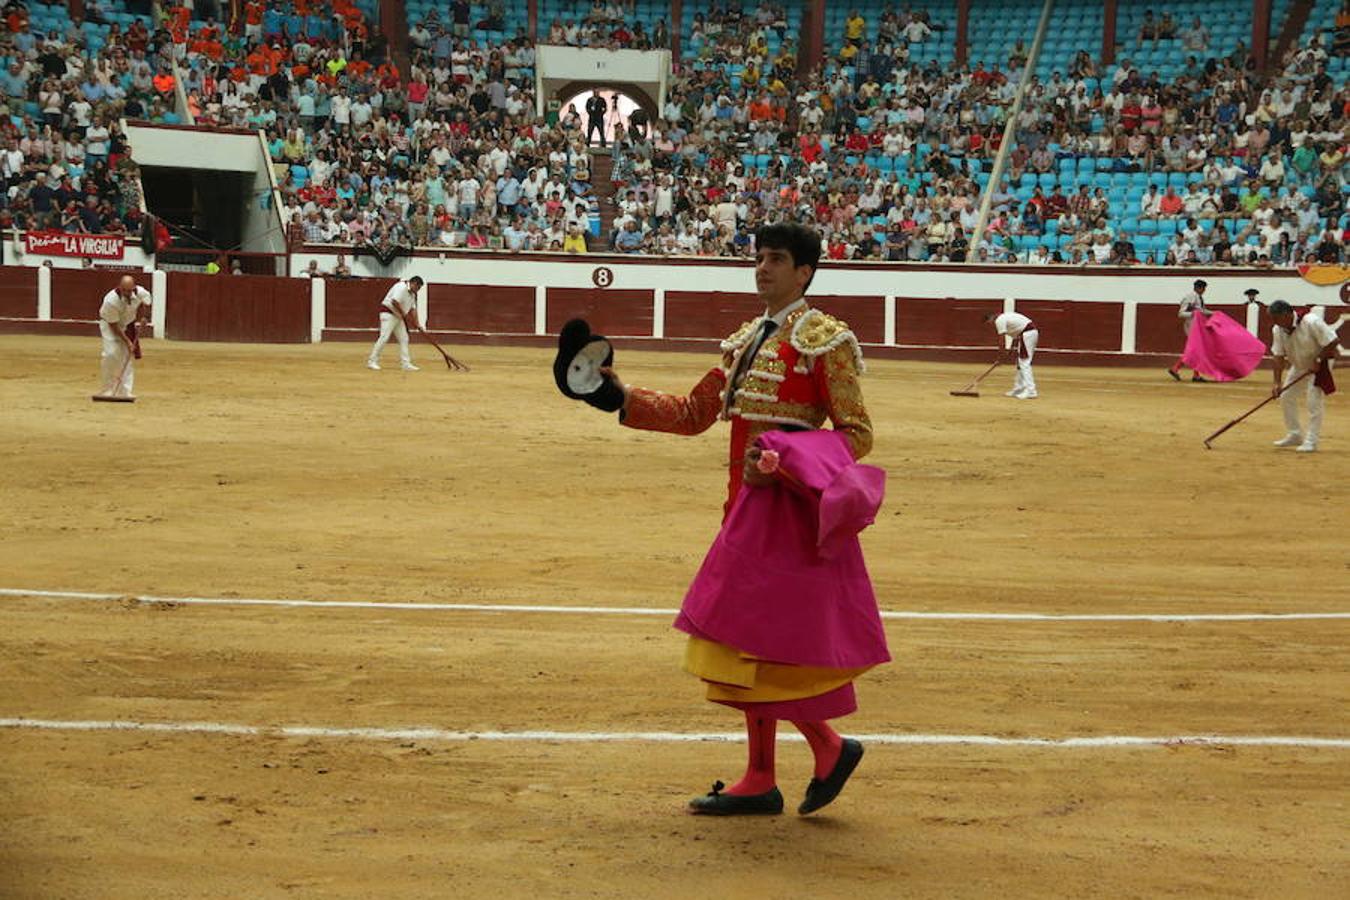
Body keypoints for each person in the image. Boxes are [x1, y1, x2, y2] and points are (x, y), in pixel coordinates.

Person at [596, 223, 887, 817]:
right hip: (743, 512)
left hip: (790, 515)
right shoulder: (744, 342)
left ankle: (804, 757)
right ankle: (783, 766)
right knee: (744, 642)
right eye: (758, 259)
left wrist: (784, 463)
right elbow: (694, 413)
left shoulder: (824, 343)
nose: (762, 269)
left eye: (776, 260)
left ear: (804, 271)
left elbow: (857, 434)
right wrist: (617, 395)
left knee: (768, 643)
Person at [1269, 300, 1339, 453]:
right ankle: (1295, 434)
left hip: (1321, 364)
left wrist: (1318, 359)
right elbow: (1278, 356)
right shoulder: (1278, 329)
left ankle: (1311, 441)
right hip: (1300, 364)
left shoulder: (1311, 322)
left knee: (1313, 400)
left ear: (1287, 315)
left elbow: (1333, 341)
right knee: (1286, 396)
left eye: (1277, 318)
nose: (1275, 323)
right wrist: (1276, 382)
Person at [96, 275, 151, 400]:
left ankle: (125, 391)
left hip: (128, 324)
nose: (127, 293)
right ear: (120, 287)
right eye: (125, 290)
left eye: (130, 290)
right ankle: (107, 389)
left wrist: (145, 317)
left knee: (126, 357)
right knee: (111, 354)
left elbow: (147, 302)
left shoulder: (140, 292)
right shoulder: (111, 301)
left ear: (134, 287)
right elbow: (114, 325)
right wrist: (127, 341)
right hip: (110, 326)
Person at [367, 276, 425, 371]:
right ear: (413, 283)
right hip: (388, 313)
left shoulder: (412, 294)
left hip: (398, 316)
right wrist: (403, 314)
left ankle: (405, 364)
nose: (418, 290)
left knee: (404, 339)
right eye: (418, 287)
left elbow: (413, 309)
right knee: (384, 337)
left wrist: (418, 324)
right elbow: (394, 301)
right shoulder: (401, 287)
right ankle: (372, 361)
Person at [984, 310, 1039, 399]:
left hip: (1027, 334)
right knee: (1020, 363)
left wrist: (1000, 356)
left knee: (1024, 363)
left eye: (989, 323)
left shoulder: (999, 320)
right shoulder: (1005, 317)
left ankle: (1031, 391)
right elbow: (1015, 336)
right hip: (1028, 334)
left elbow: (1001, 340)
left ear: (990, 319)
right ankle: (1019, 388)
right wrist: (1010, 349)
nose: (991, 325)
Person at [1168, 279, 1211, 382]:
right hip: (1192, 327)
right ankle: (1180, 370)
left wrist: (1213, 313)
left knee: (1195, 351)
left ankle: (1178, 369)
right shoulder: (1190, 297)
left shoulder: (1198, 298)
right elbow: (1181, 313)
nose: (1204, 291)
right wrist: (1194, 314)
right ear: (1198, 288)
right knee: (1195, 351)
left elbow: (1201, 311)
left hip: (1197, 327)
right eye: (1203, 288)